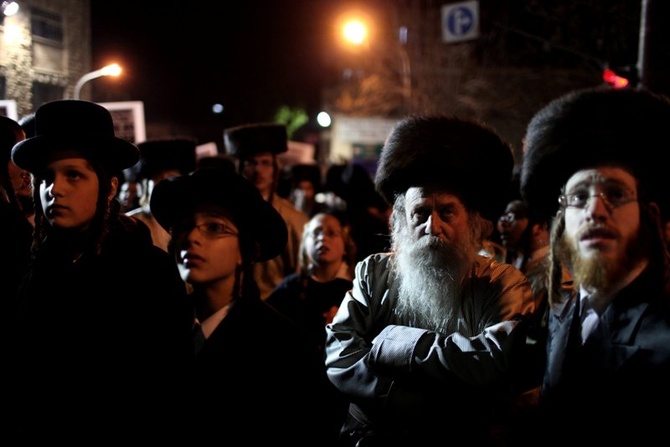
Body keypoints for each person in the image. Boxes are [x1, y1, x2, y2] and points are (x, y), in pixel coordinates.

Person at [324, 114, 536, 446]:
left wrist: (395, 342)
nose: (432, 227)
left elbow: (488, 361)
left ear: (471, 220)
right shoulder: (373, 273)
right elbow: (340, 354)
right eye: (420, 213)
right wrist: (410, 401)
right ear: (402, 221)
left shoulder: (504, 283)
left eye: (447, 212)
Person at [6, 100, 193, 442]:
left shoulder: (149, 273)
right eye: (46, 177)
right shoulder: (30, 269)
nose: (55, 189)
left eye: (73, 174)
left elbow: (168, 388)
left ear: (108, 186)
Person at [520, 86, 670, 444]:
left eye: (615, 193)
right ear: (561, 221)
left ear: (648, 215)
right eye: (579, 197)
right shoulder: (561, 313)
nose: (595, 210)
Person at [150, 166, 334, 445]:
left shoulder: (284, 348)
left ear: (246, 250)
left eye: (214, 227)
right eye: (185, 225)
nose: (192, 238)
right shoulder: (151, 329)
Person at [223, 122, 309, 300]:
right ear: (240, 167)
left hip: (275, 306)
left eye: (265, 163)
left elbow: (300, 272)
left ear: (276, 168)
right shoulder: (226, 212)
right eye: (251, 163)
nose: (258, 170)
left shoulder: (292, 217)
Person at [126, 138, 197, 251]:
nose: (166, 184)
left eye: (172, 177)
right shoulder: (130, 224)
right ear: (146, 186)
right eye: (159, 178)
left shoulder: (193, 221)